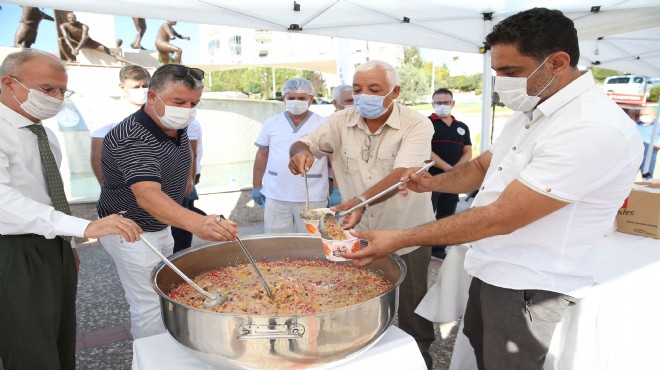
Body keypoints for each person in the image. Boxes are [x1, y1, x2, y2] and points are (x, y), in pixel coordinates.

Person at [340, 8, 643, 370]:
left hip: (531, 285)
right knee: (482, 356)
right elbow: (485, 166)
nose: (501, 83)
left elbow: (501, 217)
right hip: (491, 268)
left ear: (558, 62)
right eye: (497, 72)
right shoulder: (534, 108)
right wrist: (432, 184)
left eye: (511, 72)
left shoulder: (591, 127)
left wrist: (399, 238)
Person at [288, 60, 437, 369]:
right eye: (357, 89)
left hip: (406, 231)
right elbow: (306, 142)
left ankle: (420, 356)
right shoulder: (340, 120)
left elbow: (403, 175)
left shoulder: (417, 124)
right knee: (354, 296)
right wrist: (298, 154)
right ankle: (359, 355)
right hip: (353, 231)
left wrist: (359, 202)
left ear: (394, 91)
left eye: (374, 89)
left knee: (412, 305)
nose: (363, 95)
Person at [0, 49, 142, 370]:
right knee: (30, 349)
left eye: (62, 90)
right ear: (9, 83)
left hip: (54, 244)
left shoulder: (44, 133)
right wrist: (84, 228)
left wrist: (69, 242)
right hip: (12, 250)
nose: (57, 98)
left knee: (61, 339)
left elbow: (49, 194)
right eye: (47, 89)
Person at [97, 63, 239, 339]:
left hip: (161, 225)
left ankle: (170, 345)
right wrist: (198, 223)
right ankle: (151, 356)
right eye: (179, 101)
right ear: (152, 97)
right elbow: (147, 196)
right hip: (131, 230)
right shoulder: (132, 136)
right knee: (148, 303)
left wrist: (185, 184)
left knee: (165, 291)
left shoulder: (175, 122)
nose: (187, 108)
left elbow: (182, 156)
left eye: (193, 103)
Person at [253, 78, 329, 233]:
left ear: (310, 99)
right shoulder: (271, 123)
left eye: (301, 98)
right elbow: (262, 155)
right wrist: (256, 185)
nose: (296, 102)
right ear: (284, 98)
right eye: (291, 98)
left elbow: (333, 158)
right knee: (275, 241)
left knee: (313, 241)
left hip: (313, 195)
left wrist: (336, 189)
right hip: (276, 192)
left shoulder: (324, 123)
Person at [428, 88, 472, 259]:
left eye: (446, 102)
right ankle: (424, 247)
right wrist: (447, 168)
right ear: (433, 104)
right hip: (431, 178)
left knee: (447, 214)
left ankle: (438, 249)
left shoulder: (462, 127)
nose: (442, 106)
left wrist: (456, 170)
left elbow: (468, 151)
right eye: (438, 103)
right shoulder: (427, 124)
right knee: (428, 213)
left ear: (453, 103)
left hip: (453, 180)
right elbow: (426, 150)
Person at [90, 65, 151, 184]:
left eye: (145, 86)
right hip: (123, 183)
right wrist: (106, 188)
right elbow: (97, 155)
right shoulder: (107, 113)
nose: (142, 90)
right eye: (136, 87)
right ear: (122, 87)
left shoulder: (159, 111)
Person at [171, 118, 205, 253]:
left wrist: (188, 179)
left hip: (185, 177)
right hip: (180, 177)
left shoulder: (188, 123)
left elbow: (192, 153)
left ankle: (181, 254)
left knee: (181, 221)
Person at [58, 11, 133, 65]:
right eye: (69, 17)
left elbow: (84, 38)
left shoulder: (84, 26)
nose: (71, 19)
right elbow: (66, 37)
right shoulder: (64, 26)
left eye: (73, 17)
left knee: (111, 52)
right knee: (60, 40)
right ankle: (69, 59)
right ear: (67, 18)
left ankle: (130, 62)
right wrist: (73, 49)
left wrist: (77, 49)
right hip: (74, 43)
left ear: (76, 18)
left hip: (87, 43)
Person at [626, 108, 659, 179]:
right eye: (642, 114)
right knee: (628, 178)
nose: (644, 116)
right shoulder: (635, 125)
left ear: (652, 115)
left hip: (648, 157)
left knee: (647, 179)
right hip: (634, 157)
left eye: (646, 114)